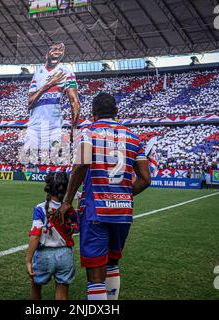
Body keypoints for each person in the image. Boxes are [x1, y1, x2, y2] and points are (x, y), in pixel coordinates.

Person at [57, 93, 151, 300]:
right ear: (116, 112)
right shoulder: (133, 137)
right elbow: (145, 178)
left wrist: (66, 201)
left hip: (96, 210)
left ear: (93, 113)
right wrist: (124, 195)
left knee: (95, 270)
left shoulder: (88, 132)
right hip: (123, 212)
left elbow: (81, 164)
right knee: (112, 262)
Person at [25, 172, 78, 300]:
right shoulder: (70, 210)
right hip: (65, 255)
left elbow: (35, 235)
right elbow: (76, 229)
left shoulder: (40, 208)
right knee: (62, 292)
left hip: (43, 255)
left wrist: (28, 259)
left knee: (36, 288)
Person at [25, 42, 80, 154]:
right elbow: (30, 103)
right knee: (28, 162)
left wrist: (74, 129)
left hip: (54, 126)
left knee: (55, 159)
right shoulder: (38, 73)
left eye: (61, 50)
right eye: (54, 49)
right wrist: (48, 84)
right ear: (47, 54)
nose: (58, 52)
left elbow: (75, 102)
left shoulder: (66, 72)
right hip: (34, 126)